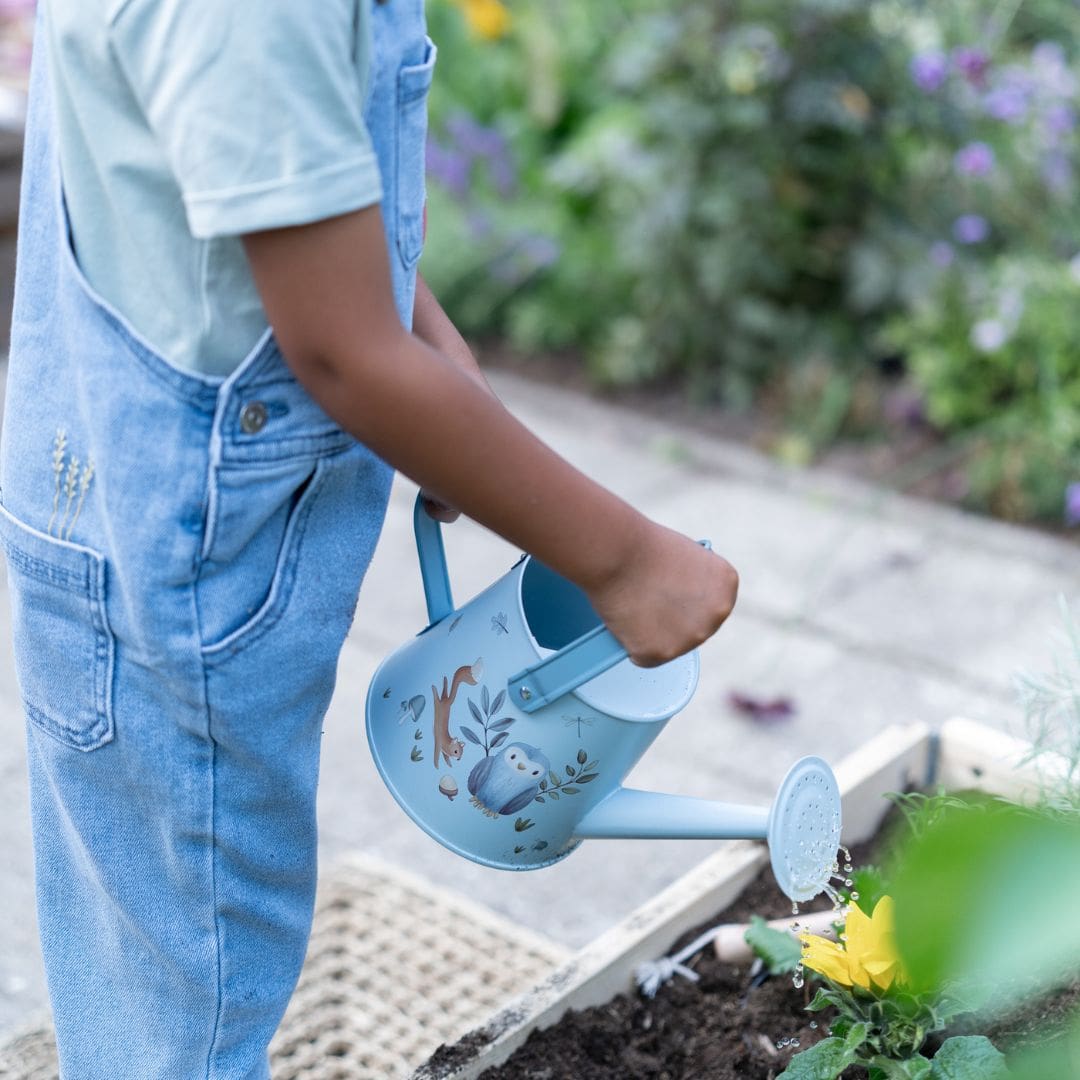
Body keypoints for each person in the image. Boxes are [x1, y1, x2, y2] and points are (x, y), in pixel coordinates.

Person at [0, 1, 739, 1076]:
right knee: (192, 1005)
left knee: (149, 969)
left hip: (101, 507)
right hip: (187, 577)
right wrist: (625, 562)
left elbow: (274, 197)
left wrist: (425, 341)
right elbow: (342, 352)